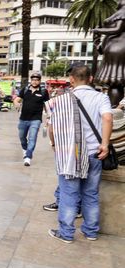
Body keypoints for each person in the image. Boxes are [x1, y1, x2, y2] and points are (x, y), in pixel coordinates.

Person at [46, 64, 113, 243]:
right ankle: (90, 231)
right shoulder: (101, 97)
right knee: (91, 194)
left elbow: (51, 127)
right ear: (91, 79)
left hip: (70, 155)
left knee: (69, 193)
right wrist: (104, 145)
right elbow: (107, 118)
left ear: (72, 79)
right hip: (94, 153)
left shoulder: (61, 100)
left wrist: (54, 143)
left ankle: (66, 233)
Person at [14, 73, 49, 166]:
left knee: (32, 138)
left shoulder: (44, 92)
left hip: (36, 119)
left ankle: (28, 157)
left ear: (40, 81)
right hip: (23, 118)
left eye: (37, 80)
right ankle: (25, 150)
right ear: (31, 80)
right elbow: (17, 99)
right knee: (22, 137)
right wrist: (16, 103)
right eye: (33, 79)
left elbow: (47, 105)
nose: (35, 81)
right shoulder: (25, 90)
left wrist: (48, 116)